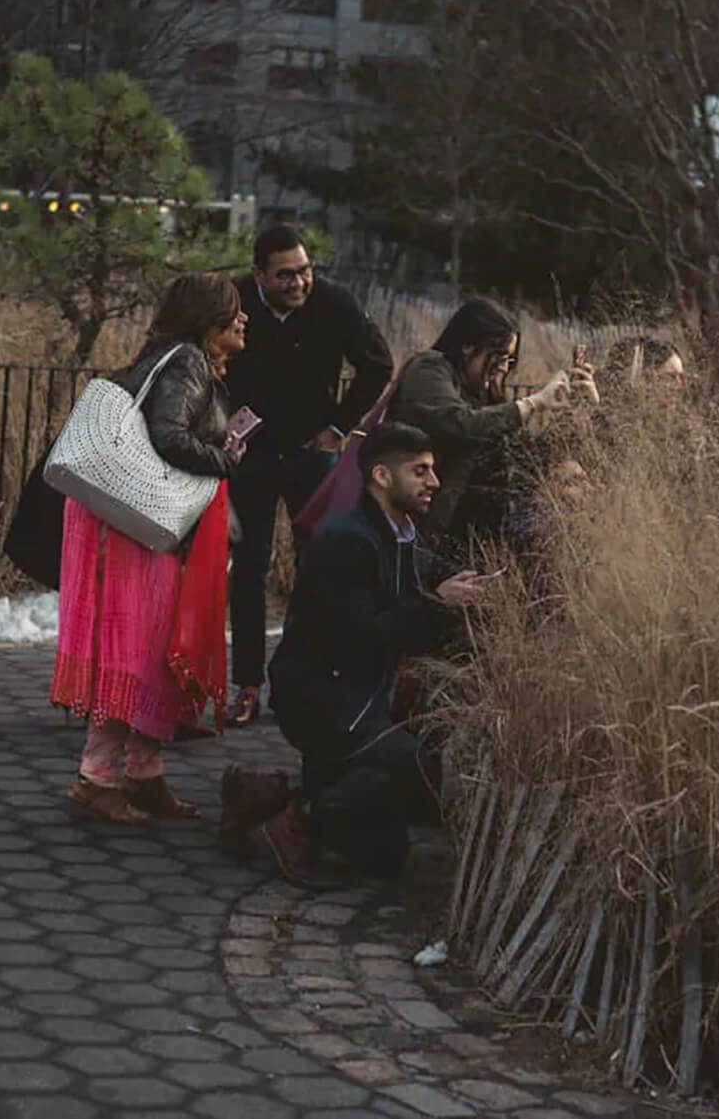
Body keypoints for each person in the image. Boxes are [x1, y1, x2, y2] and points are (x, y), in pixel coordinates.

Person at [220, 422, 496, 885]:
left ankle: (259, 792)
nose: (434, 482)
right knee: (414, 767)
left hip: (362, 691)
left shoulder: (403, 531)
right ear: (382, 477)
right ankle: (297, 821)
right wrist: (437, 603)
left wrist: (470, 590)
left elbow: (418, 594)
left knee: (385, 858)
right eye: (421, 471)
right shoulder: (347, 538)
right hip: (320, 693)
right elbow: (356, 637)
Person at [54, 273, 250, 825]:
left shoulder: (178, 358)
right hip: (139, 532)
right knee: (138, 650)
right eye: (234, 310)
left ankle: (143, 772)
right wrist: (227, 460)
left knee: (151, 649)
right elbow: (170, 436)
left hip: (133, 526)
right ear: (208, 318)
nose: (244, 319)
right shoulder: (187, 361)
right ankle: (97, 778)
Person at [222, 225, 395, 728]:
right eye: (285, 275)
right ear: (259, 276)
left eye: (305, 270)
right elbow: (208, 363)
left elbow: (378, 365)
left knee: (320, 566)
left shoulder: (335, 304)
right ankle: (247, 684)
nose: (299, 282)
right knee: (249, 570)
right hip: (249, 456)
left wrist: (339, 426)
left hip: (309, 454)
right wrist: (226, 426)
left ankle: (307, 679)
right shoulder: (232, 301)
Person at [387, 299, 573, 554]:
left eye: (509, 360)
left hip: (467, 537)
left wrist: (577, 406)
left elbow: (526, 457)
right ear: (467, 346)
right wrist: (533, 402)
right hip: (420, 531)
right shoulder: (428, 369)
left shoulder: (480, 392)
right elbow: (460, 425)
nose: (503, 368)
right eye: (498, 357)